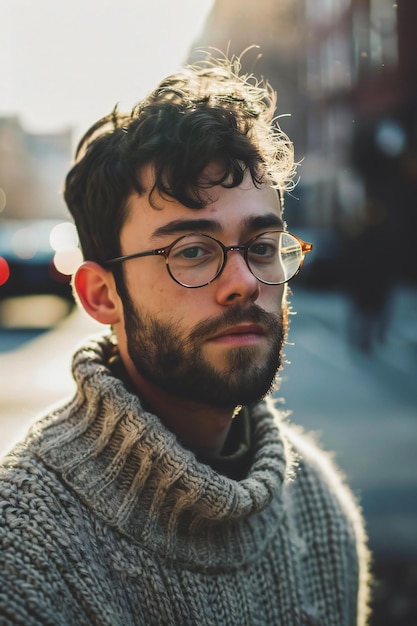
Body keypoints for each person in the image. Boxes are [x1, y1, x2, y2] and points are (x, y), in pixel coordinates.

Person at [0, 55, 370, 625]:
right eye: (192, 251)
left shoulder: (317, 507)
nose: (245, 282)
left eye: (263, 245)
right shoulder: (24, 546)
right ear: (102, 296)